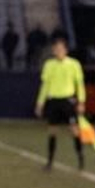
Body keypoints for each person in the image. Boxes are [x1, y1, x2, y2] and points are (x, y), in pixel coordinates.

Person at [34, 33, 86, 171]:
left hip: (68, 101)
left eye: (60, 48)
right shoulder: (49, 65)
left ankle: (80, 158)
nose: (58, 51)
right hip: (53, 101)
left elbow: (79, 84)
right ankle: (50, 161)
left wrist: (81, 101)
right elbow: (45, 85)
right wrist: (40, 103)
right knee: (52, 131)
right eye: (55, 49)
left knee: (74, 130)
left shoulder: (74, 64)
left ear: (66, 50)